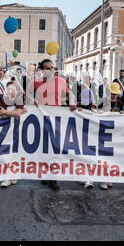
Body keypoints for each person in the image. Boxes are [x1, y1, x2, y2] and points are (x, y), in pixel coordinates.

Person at [29, 59, 77, 190]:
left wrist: (72, 102)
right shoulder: (36, 82)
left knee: (55, 147)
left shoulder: (61, 81)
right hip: (41, 117)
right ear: (42, 70)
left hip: (56, 118)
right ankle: (45, 173)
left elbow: (69, 95)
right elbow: (26, 95)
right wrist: (32, 99)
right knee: (43, 147)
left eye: (52, 67)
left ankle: (53, 177)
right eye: (47, 68)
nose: (51, 70)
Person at [0, 81, 27, 188]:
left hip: (18, 129)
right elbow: (2, 115)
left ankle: (13, 175)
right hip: (6, 130)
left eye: (12, 89)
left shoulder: (18, 99)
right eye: (8, 89)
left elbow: (17, 113)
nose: (9, 91)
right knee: (6, 153)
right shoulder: (5, 99)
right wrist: (8, 113)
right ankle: (6, 177)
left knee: (16, 153)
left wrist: (6, 112)